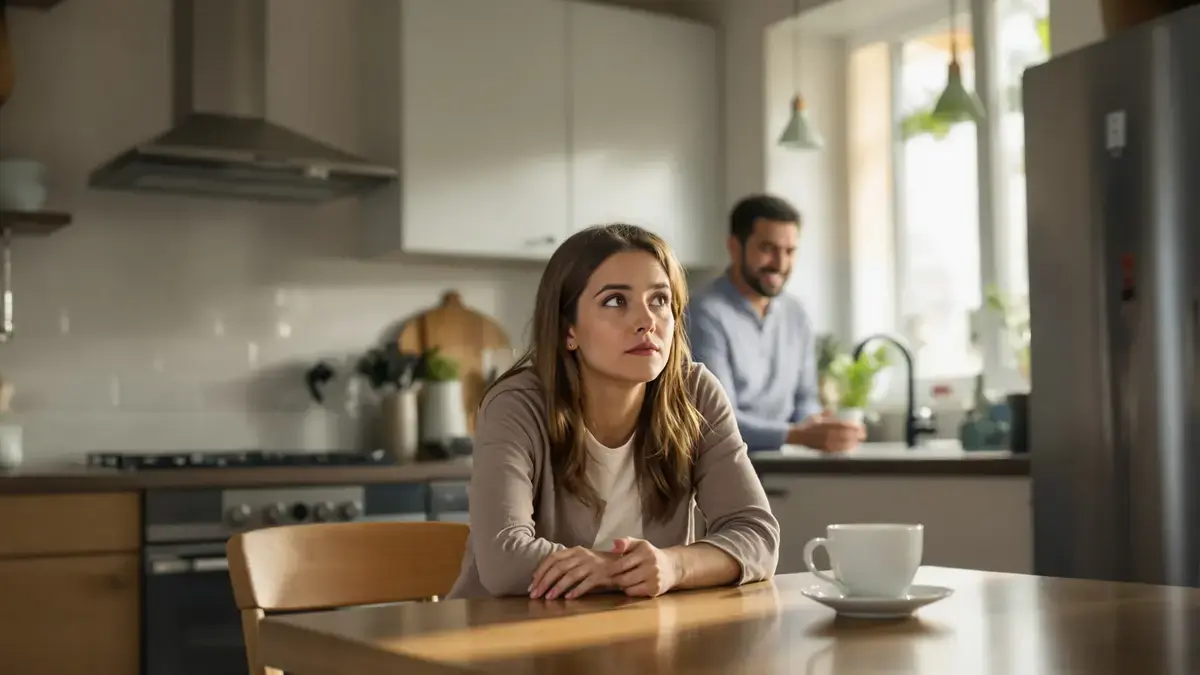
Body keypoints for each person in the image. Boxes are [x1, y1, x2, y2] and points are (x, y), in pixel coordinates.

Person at [446, 224, 779, 601]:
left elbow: (757, 536)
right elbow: (505, 561)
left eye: (659, 300)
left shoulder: (696, 393)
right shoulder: (517, 403)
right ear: (568, 329)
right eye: (616, 301)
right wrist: (618, 570)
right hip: (499, 639)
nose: (646, 321)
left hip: (633, 633)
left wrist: (672, 566)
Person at [686, 194, 864, 453]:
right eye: (768, 249)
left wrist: (820, 425)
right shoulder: (703, 314)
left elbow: (805, 399)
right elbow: (715, 419)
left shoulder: (796, 314)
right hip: (719, 470)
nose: (780, 264)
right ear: (735, 247)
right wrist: (797, 435)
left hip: (783, 467)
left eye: (789, 251)